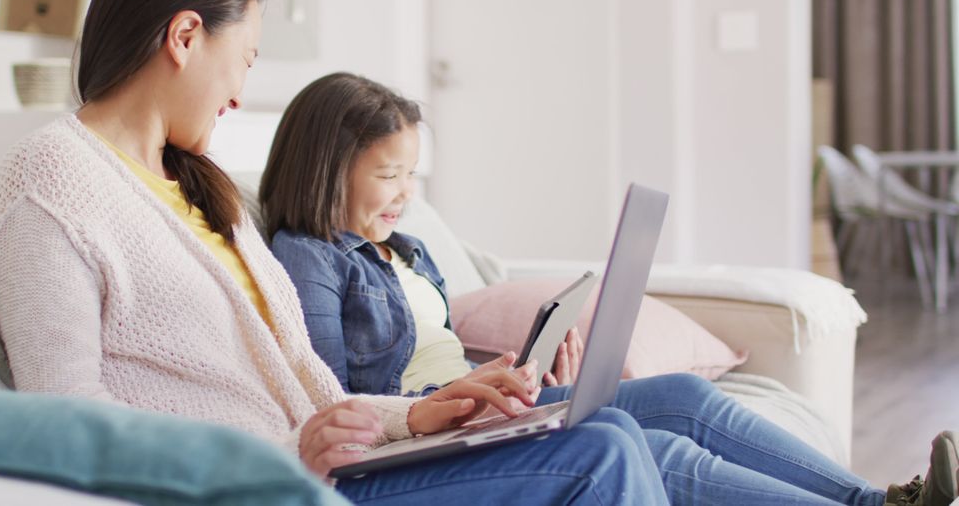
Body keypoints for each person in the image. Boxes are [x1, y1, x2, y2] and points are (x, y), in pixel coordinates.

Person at [0, 0, 675, 504]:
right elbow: (64, 418)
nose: (240, 94)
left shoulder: (201, 187)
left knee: (608, 424)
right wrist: (288, 456)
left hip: (332, 469)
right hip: (269, 486)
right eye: (244, 60)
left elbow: (311, 389)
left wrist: (418, 417)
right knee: (601, 451)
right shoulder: (51, 186)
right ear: (185, 36)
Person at [261, 72, 959, 506]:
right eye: (389, 176)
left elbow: (438, 351)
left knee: (683, 397)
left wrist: (515, 374)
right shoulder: (308, 258)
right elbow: (328, 401)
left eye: (413, 176)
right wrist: (445, 406)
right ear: (328, 167)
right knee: (634, 440)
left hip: (467, 410)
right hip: (419, 436)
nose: (406, 196)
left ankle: (879, 503)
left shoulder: (404, 251)